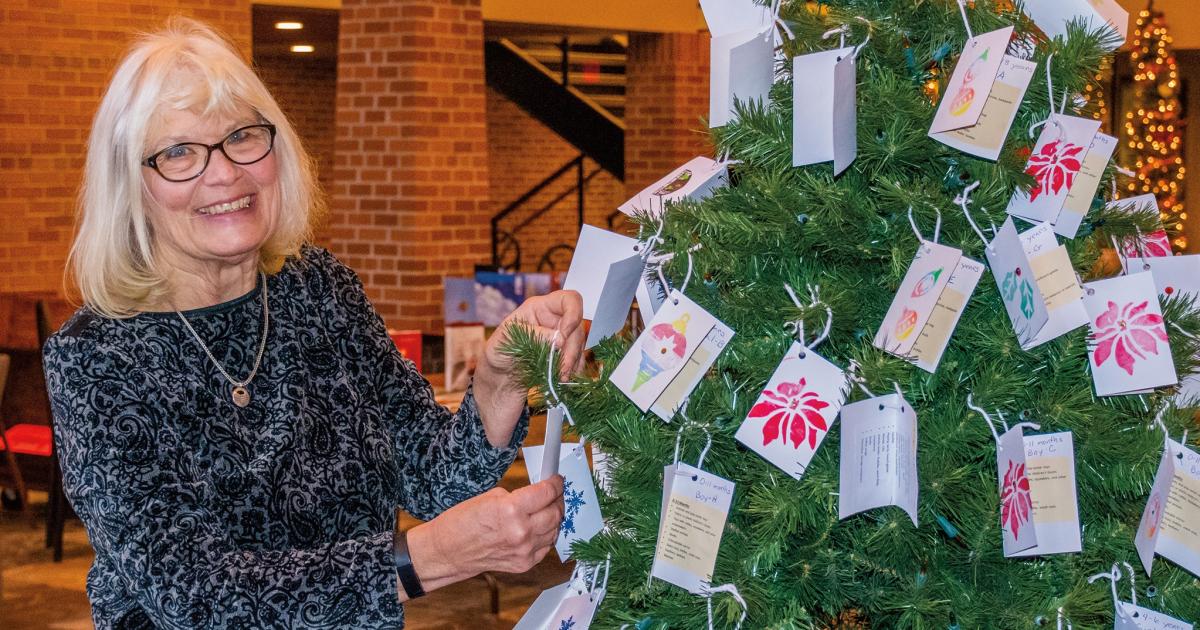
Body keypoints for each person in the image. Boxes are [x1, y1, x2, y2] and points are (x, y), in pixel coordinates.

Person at [43, 17, 585, 629]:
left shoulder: (319, 289)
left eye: (242, 137)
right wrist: (424, 560)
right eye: (178, 153)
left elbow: (431, 477)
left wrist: (496, 382)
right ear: (132, 187)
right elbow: (190, 593)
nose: (223, 174)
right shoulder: (96, 355)